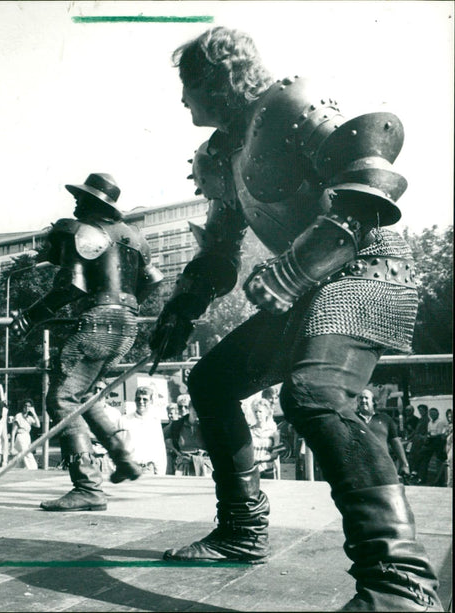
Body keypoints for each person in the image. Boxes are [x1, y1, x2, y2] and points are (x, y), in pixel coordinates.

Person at [149, 26, 440, 609]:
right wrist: (181, 308)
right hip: (305, 291)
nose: (183, 100)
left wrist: (294, 269)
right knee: (211, 381)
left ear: (217, 77)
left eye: (188, 85)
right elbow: (219, 252)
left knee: (315, 393)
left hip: (365, 271)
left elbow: (369, 180)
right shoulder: (217, 157)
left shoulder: (288, 106)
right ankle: (240, 529)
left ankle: (401, 584)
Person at [11, 172, 163, 512]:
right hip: (127, 325)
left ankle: (88, 486)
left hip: (97, 322)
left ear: (95, 203)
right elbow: (153, 282)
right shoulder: (135, 238)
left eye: (82, 198)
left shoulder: (81, 232)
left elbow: (71, 286)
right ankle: (123, 457)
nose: (76, 203)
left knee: (62, 399)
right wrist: (123, 303)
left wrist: (31, 316)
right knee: (84, 395)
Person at [124, 386, 168, 475]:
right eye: (138, 399)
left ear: (151, 401)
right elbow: (118, 446)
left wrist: (160, 473)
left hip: (149, 470)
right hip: (130, 469)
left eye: (145, 399)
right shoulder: (124, 420)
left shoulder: (155, 422)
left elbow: (160, 450)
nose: (141, 402)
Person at [163, 401, 211, 476]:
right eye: (195, 409)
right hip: (182, 467)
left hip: (204, 466)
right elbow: (162, 438)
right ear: (189, 408)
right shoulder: (177, 425)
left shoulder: (208, 426)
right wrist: (174, 450)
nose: (198, 412)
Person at [249, 398, 280, 479]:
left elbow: (276, 454)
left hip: (268, 470)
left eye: (260, 411)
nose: (257, 414)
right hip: (253, 470)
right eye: (255, 411)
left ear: (266, 413)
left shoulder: (274, 433)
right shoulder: (249, 431)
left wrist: (259, 459)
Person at [417, 407, 448, 486]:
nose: (432, 415)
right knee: (423, 456)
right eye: (431, 414)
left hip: (438, 442)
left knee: (440, 460)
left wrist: (430, 436)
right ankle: (422, 478)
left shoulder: (441, 422)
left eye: (434, 413)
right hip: (430, 442)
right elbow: (429, 432)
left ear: (437, 413)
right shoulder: (430, 422)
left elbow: (439, 434)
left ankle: (440, 480)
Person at [10, 399, 41, 469]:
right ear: (22, 406)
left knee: (20, 455)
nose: (27, 408)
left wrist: (34, 413)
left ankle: (18, 468)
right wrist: (11, 445)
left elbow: (38, 425)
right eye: (25, 406)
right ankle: (33, 468)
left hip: (27, 437)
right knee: (27, 453)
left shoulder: (29, 418)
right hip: (20, 436)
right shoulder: (18, 416)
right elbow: (13, 431)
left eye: (29, 406)